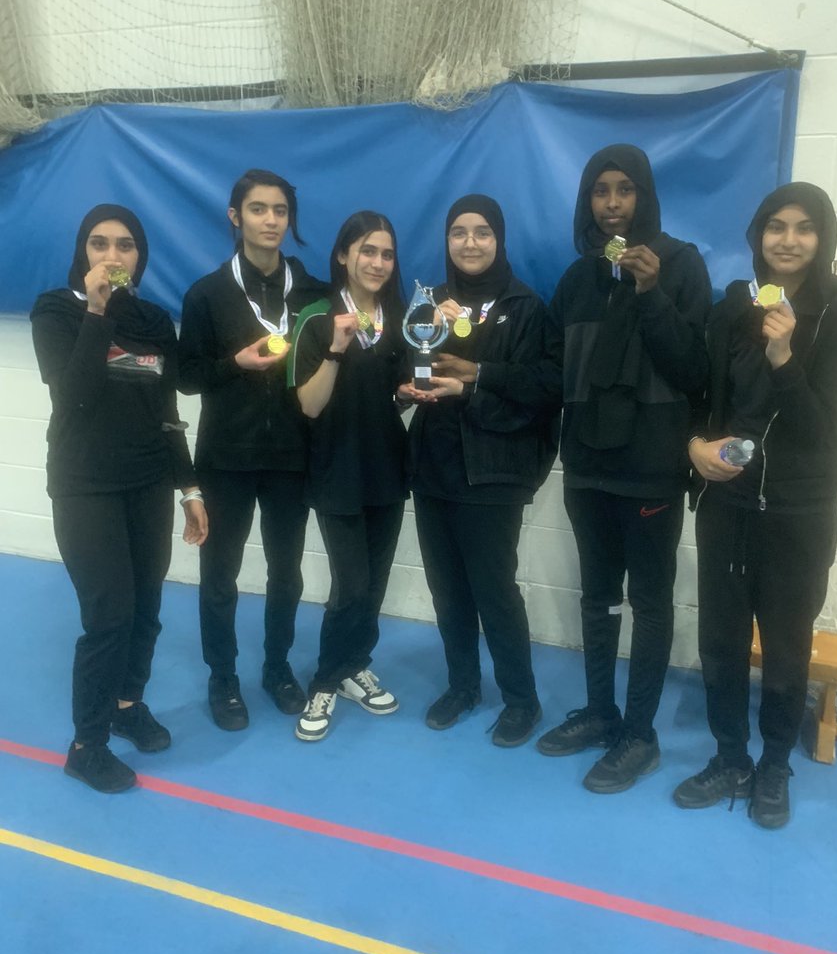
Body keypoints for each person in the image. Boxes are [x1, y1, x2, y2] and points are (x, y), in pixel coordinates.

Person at [674, 182, 837, 828]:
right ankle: (731, 757)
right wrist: (695, 447)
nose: (788, 240)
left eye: (804, 228)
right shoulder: (736, 307)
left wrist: (785, 354)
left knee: (787, 650)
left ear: (824, 238)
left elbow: (820, 426)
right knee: (721, 645)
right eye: (775, 227)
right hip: (728, 504)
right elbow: (704, 402)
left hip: (799, 511)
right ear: (758, 235)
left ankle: (775, 767)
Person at [537, 144, 712, 792]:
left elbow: (696, 370)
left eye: (625, 189)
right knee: (598, 599)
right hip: (587, 470)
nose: (612, 203)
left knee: (649, 601)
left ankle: (640, 734)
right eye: (600, 191)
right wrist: (476, 374)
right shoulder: (577, 278)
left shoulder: (682, 265)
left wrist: (650, 293)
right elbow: (551, 373)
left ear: (644, 196)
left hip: (652, 471)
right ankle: (602, 712)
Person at [31, 204, 207, 793]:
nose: (113, 255)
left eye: (126, 245)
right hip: (85, 487)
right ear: (84, 252)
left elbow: (167, 414)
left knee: (147, 608)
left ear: (140, 256)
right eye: (100, 243)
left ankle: (128, 704)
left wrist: (189, 489)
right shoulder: (56, 311)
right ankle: (87, 745)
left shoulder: (156, 321)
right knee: (108, 616)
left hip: (147, 484)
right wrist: (99, 310)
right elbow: (75, 394)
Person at [178, 170, 328, 731]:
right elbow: (186, 377)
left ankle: (277, 667)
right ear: (235, 217)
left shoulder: (312, 295)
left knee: (286, 572)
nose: (270, 220)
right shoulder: (207, 295)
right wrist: (232, 365)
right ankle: (223, 677)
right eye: (258, 209)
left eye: (280, 211)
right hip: (226, 458)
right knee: (220, 572)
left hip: (292, 454)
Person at [406, 194, 556, 746]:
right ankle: (463, 685)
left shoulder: (525, 307)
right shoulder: (429, 302)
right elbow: (412, 368)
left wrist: (475, 377)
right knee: (447, 590)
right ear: (447, 241)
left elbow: (543, 389)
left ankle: (522, 700)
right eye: (459, 233)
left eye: (483, 232)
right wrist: (407, 387)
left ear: (499, 240)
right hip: (434, 467)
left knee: (494, 590)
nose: (470, 243)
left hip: (494, 471)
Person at [288, 211, 408, 742]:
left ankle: (356, 664)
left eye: (386, 253)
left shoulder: (402, 316)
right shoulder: (316, 318)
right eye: (367, 251)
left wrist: (408, 395)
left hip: (388, 469)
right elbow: (310, 406)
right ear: (343, 256)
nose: (378, 262)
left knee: (374, 584)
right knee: (349, 584)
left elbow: (396, 393)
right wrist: (336, 348)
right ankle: (325, 681)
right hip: (337, 473)